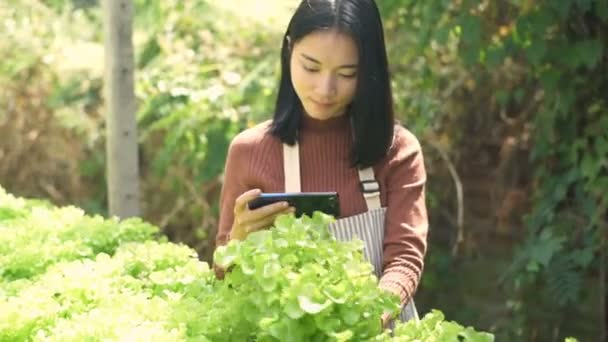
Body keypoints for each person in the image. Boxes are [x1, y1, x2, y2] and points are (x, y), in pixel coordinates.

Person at [214, 0, 428, 326]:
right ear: (289, 51)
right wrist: (238, 241)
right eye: (311, 68)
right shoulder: (249, 152)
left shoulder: (397, 150)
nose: (325, 90)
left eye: (346, 74)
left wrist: (364, 321)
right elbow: (224, 282)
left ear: (369, 70)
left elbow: (404, 258)